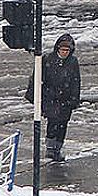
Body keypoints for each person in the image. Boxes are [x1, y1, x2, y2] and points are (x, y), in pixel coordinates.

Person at [25, 33, 81, 162]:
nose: (65, 52)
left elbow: (76, 81)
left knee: (63, 124)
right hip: (50, 97)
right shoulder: (47, 59)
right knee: (53, 122)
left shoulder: (73, 62)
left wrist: (74, 99)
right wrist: (35, 96)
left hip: (65, 99)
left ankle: (57, 148)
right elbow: (37, 78)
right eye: (63, 50)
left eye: (67, 50)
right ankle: (50, 149)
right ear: (57, 49)